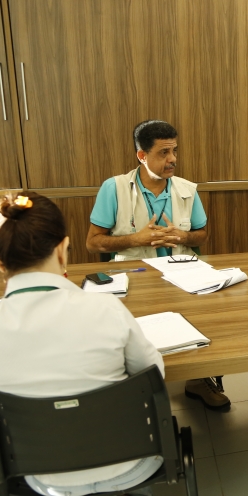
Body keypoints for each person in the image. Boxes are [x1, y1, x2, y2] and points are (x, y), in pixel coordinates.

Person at [0, 192, 168, 496]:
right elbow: (153, 375)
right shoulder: (106, 309)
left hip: (38, 472)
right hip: (130, 463)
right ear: (63, 250)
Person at [86, 120, 228, 411]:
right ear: (142, 155)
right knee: (134, 333)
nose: (172, 159)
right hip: (134, 274)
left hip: (182, 272)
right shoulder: (114, 188)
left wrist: (183, 236)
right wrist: (135, 239)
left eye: (174, 151)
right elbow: (93, 243)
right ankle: (136, 389)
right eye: (164, 152)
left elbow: (202, 235)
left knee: (207, 316)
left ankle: (198, 380)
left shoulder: (186, 189)